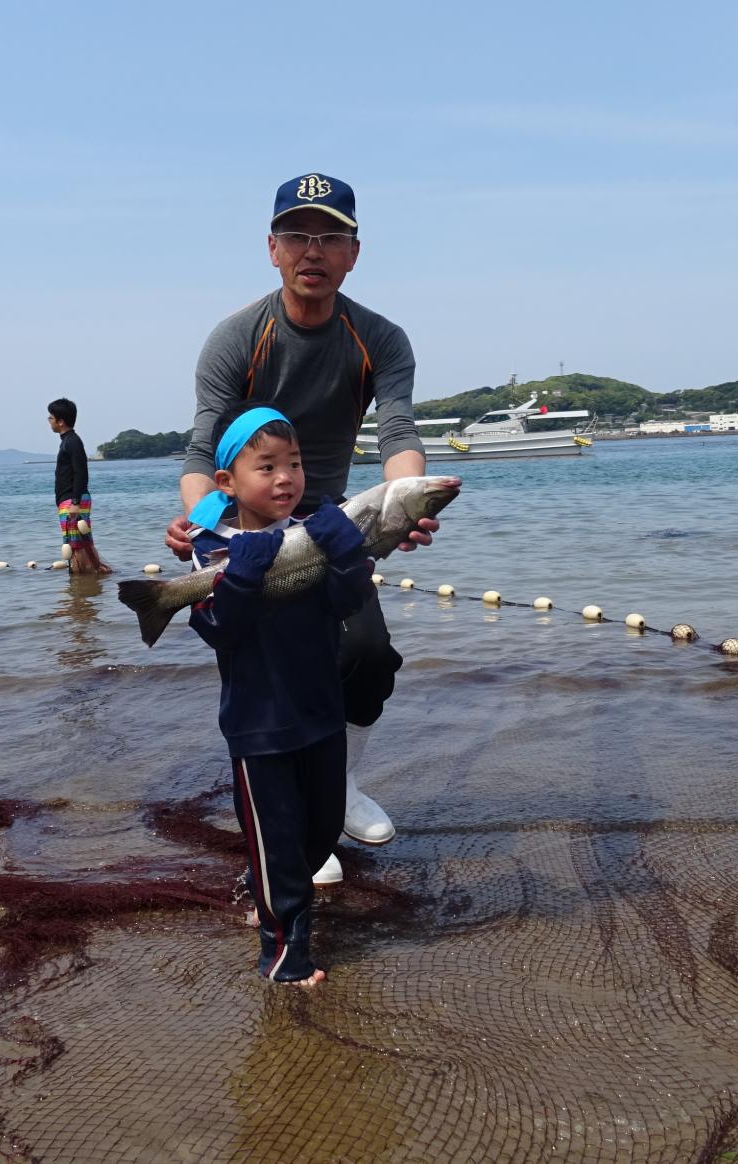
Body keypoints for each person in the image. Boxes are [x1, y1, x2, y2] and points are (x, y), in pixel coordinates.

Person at [165, 172, 437, 887]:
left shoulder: (378, 338)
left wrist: (404, 499)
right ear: (272, 248)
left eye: (329, 237)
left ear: (353, 252)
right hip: (245, 525)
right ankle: (292, 831)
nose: (310, 250)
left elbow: (398, 432)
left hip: (331, 523)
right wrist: (202, 528)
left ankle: (338, 786)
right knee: (266, 680)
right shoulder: (236, 337)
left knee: (370, 656)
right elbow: (202, 450)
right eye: (296, 235)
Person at [186, 405, 374, 985]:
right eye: (265, 467)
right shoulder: (212, 548)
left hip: (321, 713)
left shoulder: (313, 531)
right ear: (228, 483)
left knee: (321, 830)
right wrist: (239, 575)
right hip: (258, 725)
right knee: (275, 840)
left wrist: (346, 556)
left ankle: (268, 887)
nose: (285, 477)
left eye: (293, 463)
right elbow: (219, 628)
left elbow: (344, 604)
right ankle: (283, 953)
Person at [48, 398, 111, 575]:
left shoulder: (72, 441)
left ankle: (84, 582)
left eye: (51, 418)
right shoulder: (67, 441)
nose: (49, 421)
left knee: (77, 545)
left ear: (60, 421)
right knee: (77, 543)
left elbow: (81, 473)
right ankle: (85, 583)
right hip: (70, 500)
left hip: (73, 500)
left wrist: (75, 502)